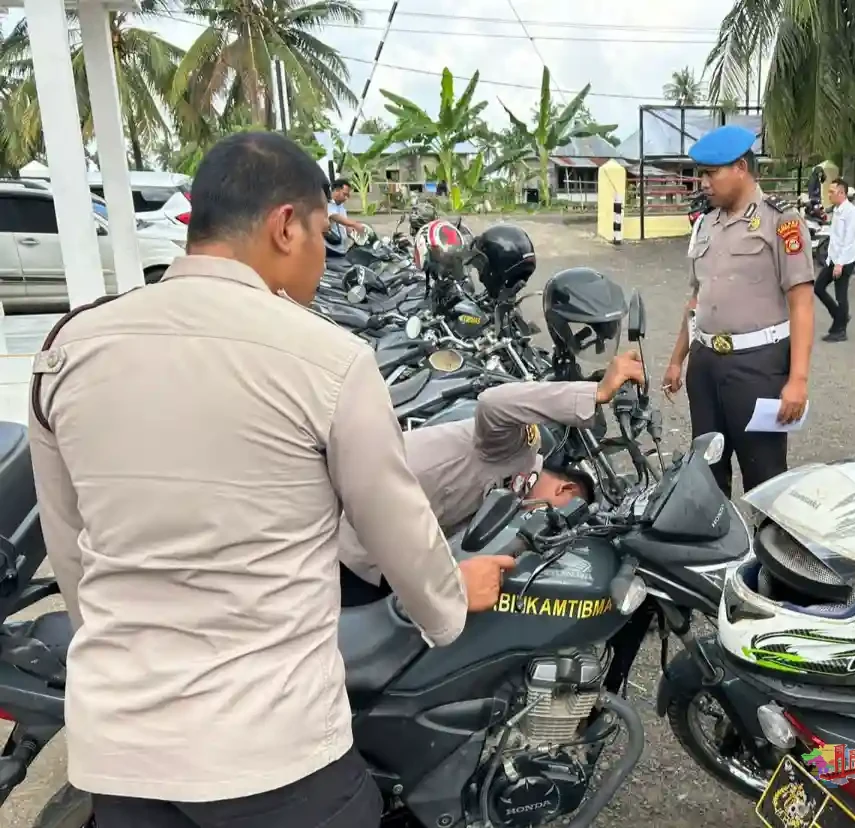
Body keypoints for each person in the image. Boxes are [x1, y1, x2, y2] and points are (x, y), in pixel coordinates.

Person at [27, 132, 514, 828]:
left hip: (122, 755)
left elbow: (71, 548)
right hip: (274, 754)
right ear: (286, 225)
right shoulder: (330, 358)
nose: (326, 253)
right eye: (323, 233)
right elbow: (398, 527)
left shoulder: (65, 350)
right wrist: (448, 606)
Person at [340, 351, 647, 605]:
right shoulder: (521, 452)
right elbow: (495, 404)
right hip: (350, 541)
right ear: (566, 486)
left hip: (375, 549)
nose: (559, 522)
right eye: (570, 509)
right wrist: (596, 393)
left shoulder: (507, 501)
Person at [661, 125, 816, 498]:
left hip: (757, 366)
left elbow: (802, 303)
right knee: (708, 471)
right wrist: (676, 359)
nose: (704, 183)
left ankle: (769, 555)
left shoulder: (782, 222)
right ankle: (719, 553)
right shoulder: (705, 225)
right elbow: (696, 299)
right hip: (706, 364)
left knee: (765, 477)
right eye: (701, 174)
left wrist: (798, 379)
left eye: (711, 173)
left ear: (741, 168)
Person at [814, 178, 855, 342]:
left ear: (842, 193)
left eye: (832, 192)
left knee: (841, 296)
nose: (829, 195)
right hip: (833, 259)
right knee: (818, 287)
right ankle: (840, 316)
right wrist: (830, 259)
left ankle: (840, 330)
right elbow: (835, 238)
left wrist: (840, 264)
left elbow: (849, 241)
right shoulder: (838, 210)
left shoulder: (851, 213)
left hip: (844, 261)